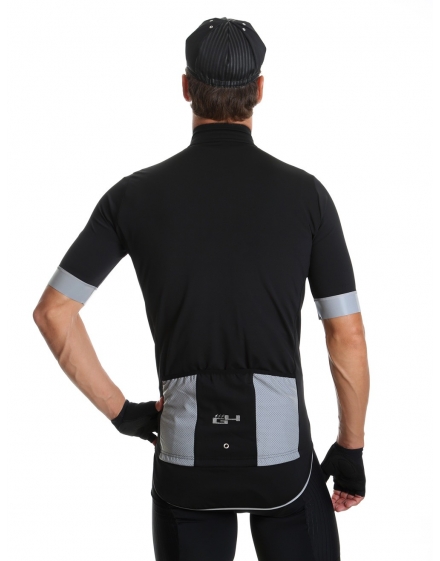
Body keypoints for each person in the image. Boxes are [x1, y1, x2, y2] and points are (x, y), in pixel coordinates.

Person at [33, 17, 370, 561]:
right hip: (284, 460)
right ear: (260, 90)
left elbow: (53, 313)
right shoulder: (307, 197)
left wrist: (123, 413)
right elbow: (346, 334)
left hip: (185, 460)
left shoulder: (132, 197)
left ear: (186, 87)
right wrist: (350, 448)